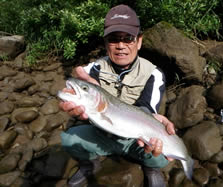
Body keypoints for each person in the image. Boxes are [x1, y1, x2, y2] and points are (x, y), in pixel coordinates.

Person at [60, 4, 175, 187]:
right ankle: (90, 163)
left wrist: (152, 124)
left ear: (139, 41)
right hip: (103, 134)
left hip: (137, 140)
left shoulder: (154, 74)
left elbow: (147, 109)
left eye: (128, 38)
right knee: (67, 139)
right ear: (106, 43)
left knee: (161, 157)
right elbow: (78, 90)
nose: (121, 46)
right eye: (114, 39)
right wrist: (73, 99)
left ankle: (150, 168)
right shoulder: (93, 70)